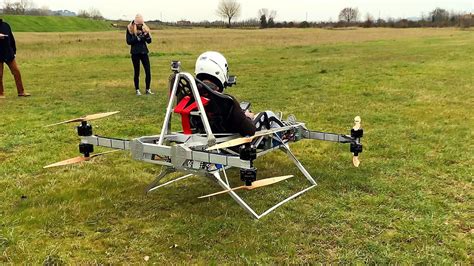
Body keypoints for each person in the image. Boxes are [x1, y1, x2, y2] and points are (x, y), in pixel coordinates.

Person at [193, 51, 284, 137]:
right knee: (269, 115)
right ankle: (285, 134)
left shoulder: (192, 96)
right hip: (231, 140)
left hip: (205, 133)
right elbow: (249, 130)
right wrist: (247, 117)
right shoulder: (227, 101)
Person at [0, 18, 30, 99]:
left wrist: (14, 51)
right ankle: (1, 94)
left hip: (8, 54)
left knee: (16, 71)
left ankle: (21, 92)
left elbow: (11, 39)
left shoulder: (6, 25)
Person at [126, 14, 153, 96]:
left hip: (144, 52)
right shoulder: (130, 28)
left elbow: (149, 41)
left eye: (141, 24)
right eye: (139, 25)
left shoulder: (145, 28)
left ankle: (148, 89)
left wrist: (146, 35)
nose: (140, 26)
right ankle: (137, 89)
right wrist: (137, 38)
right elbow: (128, 41)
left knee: (148, 71)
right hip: (135, 53)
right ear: (135, 23)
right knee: (137, 72)